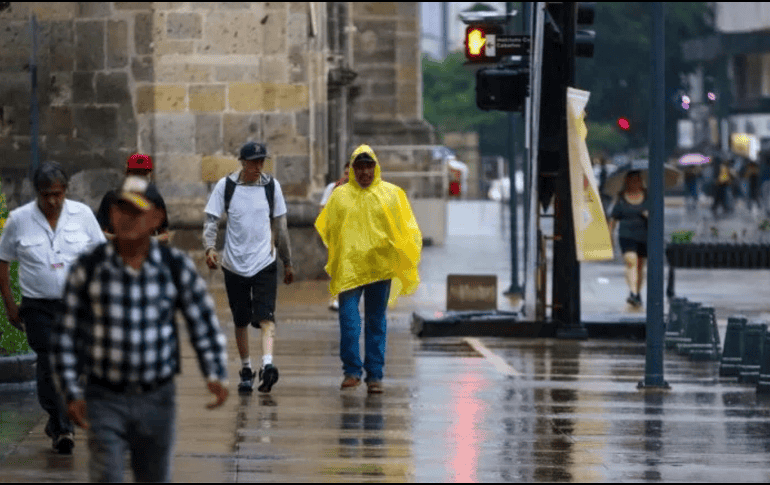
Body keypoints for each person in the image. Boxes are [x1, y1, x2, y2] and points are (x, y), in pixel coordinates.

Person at [49, 175, 229, 482]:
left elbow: (202, 320)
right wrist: (69, 389)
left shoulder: (174, 267)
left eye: (137, 212)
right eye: (121, 211)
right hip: (104, 397)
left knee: (153, 476)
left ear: (155, 218)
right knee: (108, 474)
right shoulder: (89, 268)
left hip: (156, 398)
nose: (128, 219)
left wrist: (214, 372)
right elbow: (65, 331)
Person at [0, 161, 106, 454]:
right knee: (49, 360)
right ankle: (62, 427)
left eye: (57, 194)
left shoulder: (82, 215)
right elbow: (3, 260)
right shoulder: (19, 220)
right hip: (38, 307)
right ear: (37, 192)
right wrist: (10, 304)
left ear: (65, 191)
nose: (52, 200)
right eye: (46, 194)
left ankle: (58, 417)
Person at [315, 144, 422, 394]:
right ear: (352, 169)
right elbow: (327, 227)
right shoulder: (340, 196)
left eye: (368, 166)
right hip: (349, 270)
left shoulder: (392, 195)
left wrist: (398, 253)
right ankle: (351, 371)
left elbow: (407, 229)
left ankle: (374, 375)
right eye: (359, 167)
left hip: (379, 269)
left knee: (376, 322)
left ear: (376, 167)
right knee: (349, 321)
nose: (364, 172)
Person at [203, 141, 294, 395]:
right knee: (240, 318)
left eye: (261, 161)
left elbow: (281, 226)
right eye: (253, 161)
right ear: (242, 162)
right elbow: (212, 219)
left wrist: (287, 261)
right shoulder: (226, 186)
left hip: (265, 261)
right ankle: (246, 369)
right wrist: (209, 248)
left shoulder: (272, 187)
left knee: (266, 316)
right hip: (234, 264)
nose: (258, 166)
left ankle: (267, 365)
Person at [95, 153, 170, 244]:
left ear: (127, 172)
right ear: (149, 173)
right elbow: (164, 235)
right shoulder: (155, 198)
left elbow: (100, 233)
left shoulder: (111, 196)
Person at [608, 170, 649, 309]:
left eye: (637, 180)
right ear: (627, 182)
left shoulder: (648, 197)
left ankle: (637, 293)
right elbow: (613, 219)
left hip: (644, 236)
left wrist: (648, 215)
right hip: (626, 236)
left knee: (639, 266)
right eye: (631, 180)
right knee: (630, 261)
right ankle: (633, 292)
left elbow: (656, 217)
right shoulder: (621, 199)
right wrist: (610, 236)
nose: (634, 183)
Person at [319, 161, 350, 311]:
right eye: (346, 173)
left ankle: (347, 297)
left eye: (351, 173)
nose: (348, 176)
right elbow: (323, 209)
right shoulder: (333, 188)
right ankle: (335, 298)